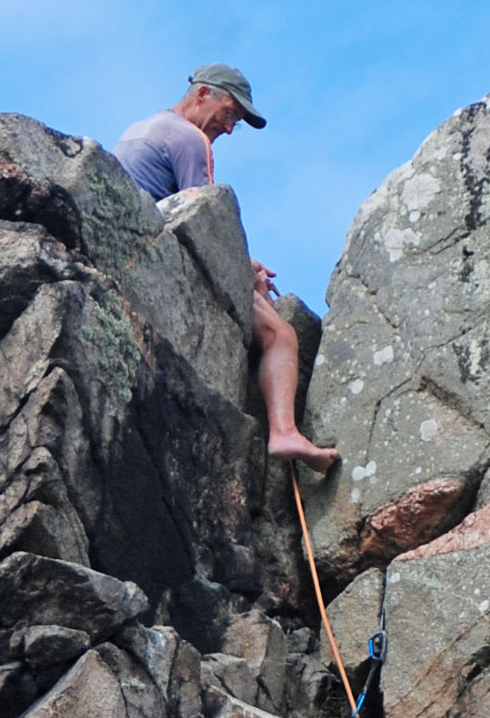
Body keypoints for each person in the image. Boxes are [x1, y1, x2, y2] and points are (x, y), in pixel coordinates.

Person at [113, 66, 337, 473]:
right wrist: (243, 275)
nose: (230, 128)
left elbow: (167, 210)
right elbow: (201, 221)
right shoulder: (190, 138)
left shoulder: (139, 130)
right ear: (202, 95)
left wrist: (244, 263)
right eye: (230, 113)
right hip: (169, 268)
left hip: (133, 256)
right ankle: (285, 432)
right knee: (281, 334)